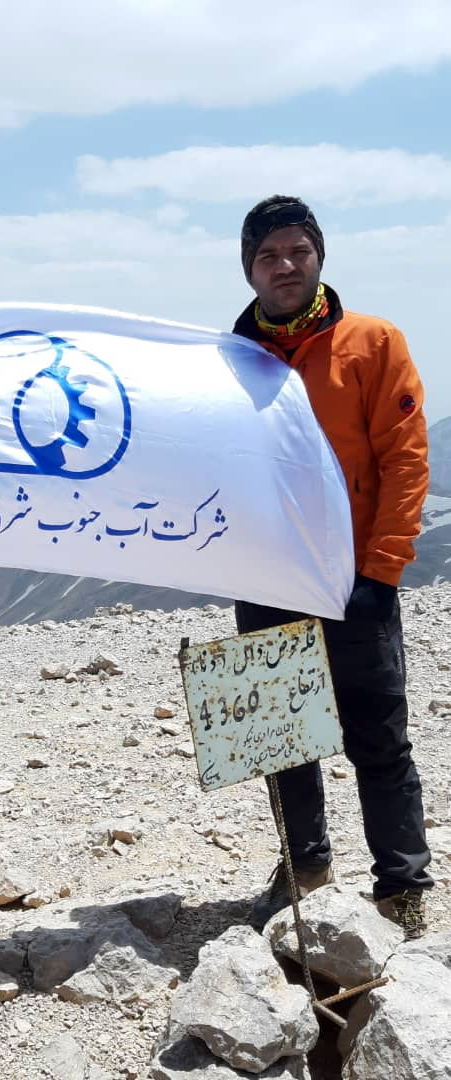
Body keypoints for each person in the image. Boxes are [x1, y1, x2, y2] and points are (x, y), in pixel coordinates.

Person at [232, 195, 433, 939]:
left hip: (354, 578)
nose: (285, 266)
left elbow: (406, 462)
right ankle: (304, 865)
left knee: (378, 737)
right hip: (265, 576)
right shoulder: (231, 359)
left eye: (297, 251)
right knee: (282, 737)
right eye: (267, 256)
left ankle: (403, 883)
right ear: (248, 269)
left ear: (319, 256)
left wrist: (382, 572)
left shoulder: (374, 342)